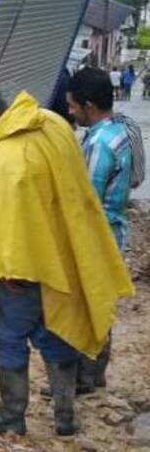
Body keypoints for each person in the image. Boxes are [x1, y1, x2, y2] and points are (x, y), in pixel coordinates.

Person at [0, 79, 133, 437]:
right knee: (57, 333)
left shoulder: (1, 162)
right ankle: (65, 418)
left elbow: (9, 227)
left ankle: (11, 417)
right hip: (66, 258)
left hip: (23, 272)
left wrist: (10, 272)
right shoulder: (51, 124)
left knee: (8, 337)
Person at [62, 67, 135, 394]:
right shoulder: (119, 133)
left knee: (86, 306)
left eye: (72, 105)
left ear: (88, 106)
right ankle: (94, 374)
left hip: (95, 237)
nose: (70, 112)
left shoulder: (99, 144)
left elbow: (86, 202)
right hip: (112, 232)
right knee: (100, 303)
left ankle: (83, 378)